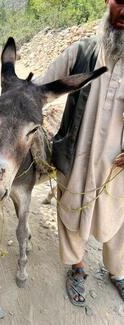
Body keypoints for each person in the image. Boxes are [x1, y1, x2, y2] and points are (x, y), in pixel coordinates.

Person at [35, 0, 124, 306]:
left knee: (119, 218)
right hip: (78, 156)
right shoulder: (80, 53)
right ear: (107, 2)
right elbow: (39, 89)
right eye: (121, 2)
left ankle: (118, 271)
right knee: (72, 209)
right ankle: (77, 267)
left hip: (117, 164)